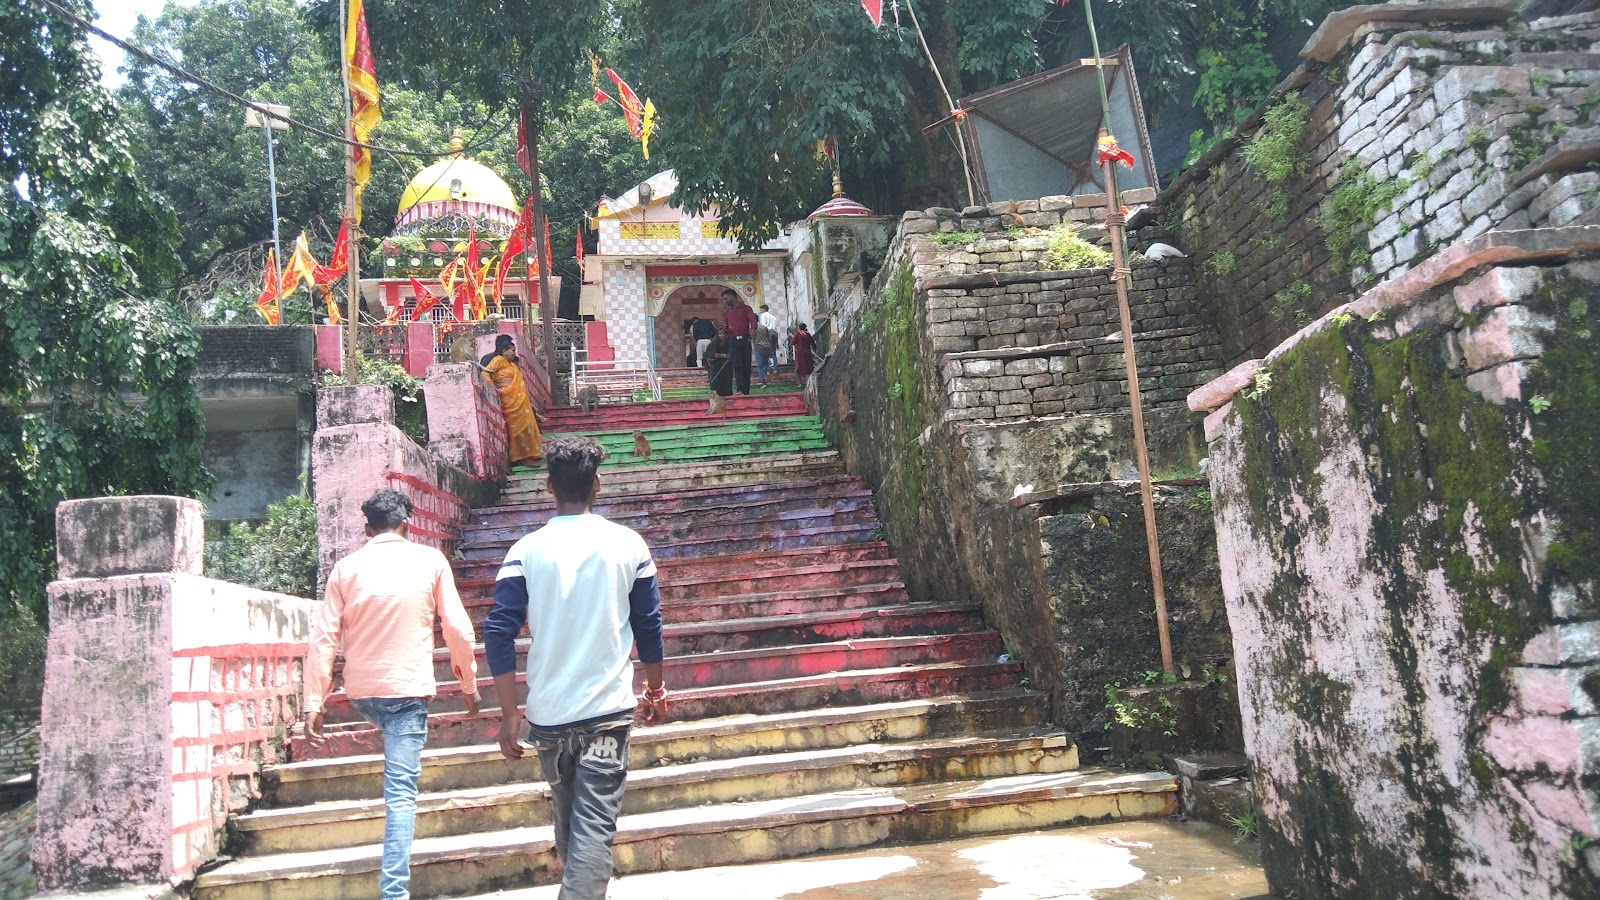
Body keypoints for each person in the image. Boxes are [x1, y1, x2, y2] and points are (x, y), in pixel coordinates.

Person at [484, 436, 667, 900]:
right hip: (606, 714)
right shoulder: (628, 545)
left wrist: (509, 713)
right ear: (597, 484)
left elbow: (498, 632)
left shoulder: (525, 551)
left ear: (549, 486)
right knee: (585, 833)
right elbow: (648, 626)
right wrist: (656, 689)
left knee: (576, 831)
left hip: (549, 717)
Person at [303, 489, 481, 900]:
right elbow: (456, 628)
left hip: (363, 693)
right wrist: (468, 684)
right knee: (401, 794)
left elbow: (324, 638)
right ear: (407, 524)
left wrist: (314, 701)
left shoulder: (345, 569)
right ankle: (394, 893)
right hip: (406, 692)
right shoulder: (430, 560)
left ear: (368, 529)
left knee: (398, 780)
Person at [481, 334, 544, 467]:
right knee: (517, 430)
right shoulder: (498, 360)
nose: (514, 353)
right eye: (512, 350)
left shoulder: (512, 364)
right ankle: (520, 457)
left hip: (519, 402)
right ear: (505, 351)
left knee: (527, 426)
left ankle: (531, 454)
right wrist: (494, 388)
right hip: (508, 400)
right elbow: (485, 373)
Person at [722, 288, 758, 395]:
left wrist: (753, 328)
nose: (725, 301)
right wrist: (725, 330)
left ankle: (746, 390)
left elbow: (753, 321)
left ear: (732, 296)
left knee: (746, 365)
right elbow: (726, 326)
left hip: (745, 340)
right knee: (737, 366)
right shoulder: (727, 312)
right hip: (733, 341)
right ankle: (740, 390)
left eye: (726, 298)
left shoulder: (746, 309)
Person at [705, 324, 734, 398]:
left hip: (726, 366)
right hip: (716, 366)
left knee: (726, 382)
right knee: (716, 383)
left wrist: (725, 356)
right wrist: (717, 355)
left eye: (724, 334)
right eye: (720, 334)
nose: (721, 336)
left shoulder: (730, 343)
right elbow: (709, 353)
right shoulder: (714, 342)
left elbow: (732, 354)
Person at [753, 318, 777, 388]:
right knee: (766, 363)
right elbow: (769, 338)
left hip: (759, 347)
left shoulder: (753, 328)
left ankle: (764, 382)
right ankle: (769, 377)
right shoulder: (764, 327)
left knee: (760, 366)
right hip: (767, 347)